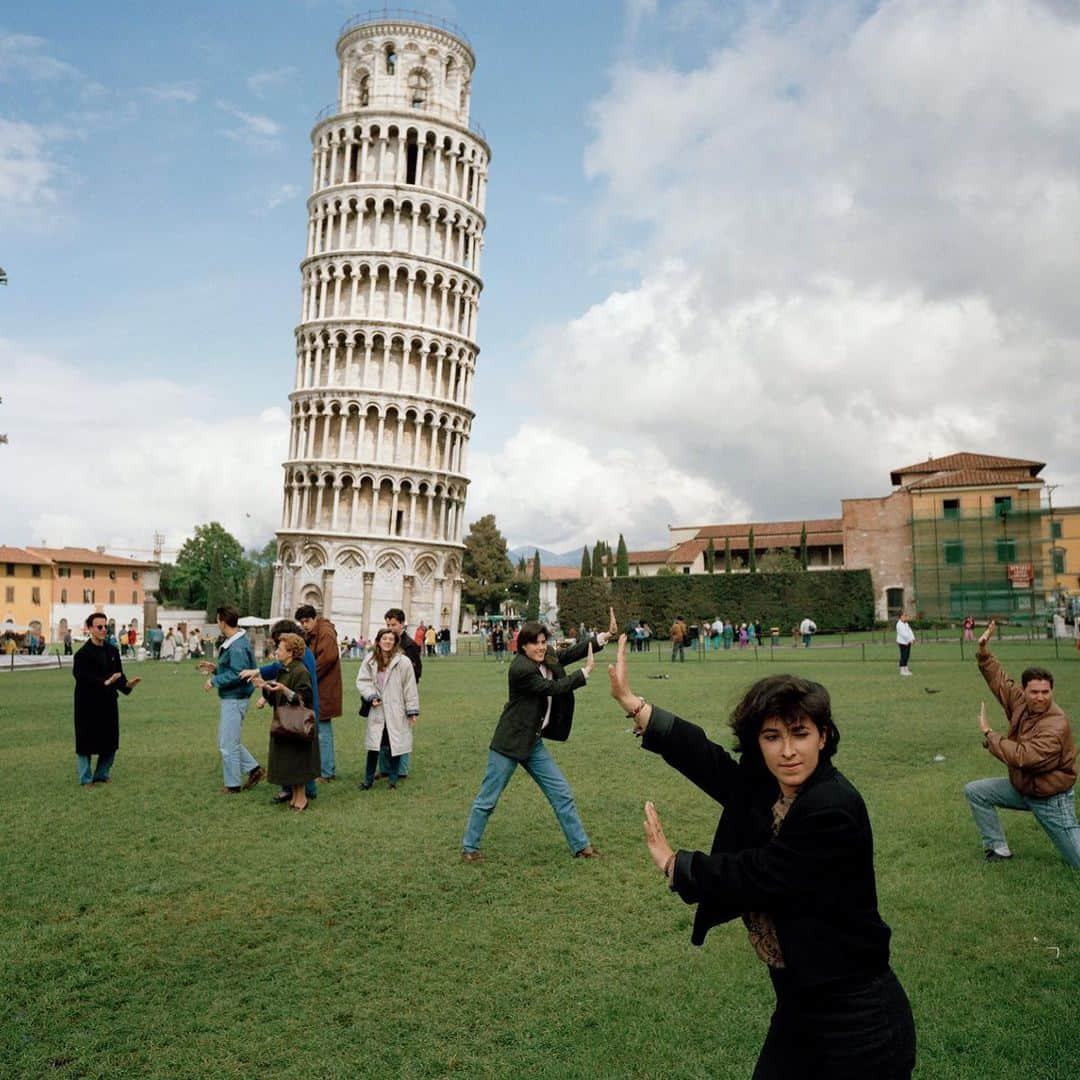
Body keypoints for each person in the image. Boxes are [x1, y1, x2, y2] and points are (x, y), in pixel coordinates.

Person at [606, 636, 916, 1077]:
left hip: (858, 1023)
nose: (787, 750)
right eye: (772, 736)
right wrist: (635, 705)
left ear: (823, 737)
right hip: (800, 1008)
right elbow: (711, 763)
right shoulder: (776, 790)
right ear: (759, 743)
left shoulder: (831, 807)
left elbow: (762, 874)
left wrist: (677, 866)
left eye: (800, 734)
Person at [460, 610, 617, 862]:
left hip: (533, 742)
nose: (542, 648)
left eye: (544, 642)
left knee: (561, 793)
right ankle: (469, 847)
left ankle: (581, 847)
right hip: (509, 743)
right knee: (488, 799)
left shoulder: (546, 656)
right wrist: (584, 673)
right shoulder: (521, 669)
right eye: (536, 643)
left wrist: (602, 637)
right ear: (523, 646)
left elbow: (568, 654)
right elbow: (553, 688)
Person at [964, 619, 1079, 867]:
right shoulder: (1021, 704)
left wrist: (989, 733)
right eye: (1034, 692)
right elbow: (1001, 682)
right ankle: (998, 849)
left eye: (1045, 692)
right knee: (976, 792)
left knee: (1078, 861)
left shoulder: (1056, 725)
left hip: (1051, 798)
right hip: (1023, 788)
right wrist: (984, 653)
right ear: (1025, 691)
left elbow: (1023, 756)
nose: (1040, 697)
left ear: (1052, 692)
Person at [242, 618, 321, 807]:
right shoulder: (285, 668)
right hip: (286, 721)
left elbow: (303, 696)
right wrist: (265, 687)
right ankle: (294, 796)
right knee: (288, 759)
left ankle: (302, 798)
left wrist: (283, 690)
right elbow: (280, 688)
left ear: (291, 652)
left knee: (298, 760)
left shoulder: (300, 669)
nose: (276, 650)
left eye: (280, 647)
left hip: (298, 722)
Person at [198, 605, 264, 795]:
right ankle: (254, 769)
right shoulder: (238, 642)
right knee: (228, 741)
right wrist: (216, 669)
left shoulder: (236, 646)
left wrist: (214, 680)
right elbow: (236, 670)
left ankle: (233, 784)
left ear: (223, 622)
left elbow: (238, 673)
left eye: (218, 620)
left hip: (235, 698)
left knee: (227, 743)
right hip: (235, 697)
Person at [72, 611, 141, 786]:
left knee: (110, 741)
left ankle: (102, 773)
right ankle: (86, 778)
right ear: (90, 629)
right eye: (99, 627)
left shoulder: (112, 651)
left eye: (106, 626)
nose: (104, 630)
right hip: (87, 703)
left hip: (108, 702)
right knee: (85, 742)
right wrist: (104, 682)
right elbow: (81, 676)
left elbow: (119, 676)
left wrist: (127, 685)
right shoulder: (82, 655)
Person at [357, 629, 420, 789]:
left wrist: (412, 710)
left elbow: (409, 687)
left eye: (391, 639)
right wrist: (371, 696)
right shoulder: (370, 660)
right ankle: (368, 780)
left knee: (395, 744)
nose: (387, 641)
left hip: (395, 708)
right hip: (377, 709)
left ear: (395, 642)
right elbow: (363, 681)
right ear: (378, 641)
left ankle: (393, 780)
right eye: (384, 638)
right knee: (374, 746)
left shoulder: (403, 662)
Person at [295, 603, 342, 784]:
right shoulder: (315, 632)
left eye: (307, 621)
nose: (305, 625)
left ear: (315, 618)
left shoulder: (326, 632)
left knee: (323, 730)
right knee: (319, 729)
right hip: (320, 686)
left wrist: (309, 675)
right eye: (302, 622)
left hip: (325, 688)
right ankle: (322, 768)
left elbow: (329, 657)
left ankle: (327, 771)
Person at [376, 608, 423, 781]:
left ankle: (401, 770)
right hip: (384, 694)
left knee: (402, 731)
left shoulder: (410, 646)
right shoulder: (384, 641)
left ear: (402, 624)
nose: (390, 627)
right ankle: (385, 768)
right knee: (383, 730)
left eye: (393, 624)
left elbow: (416, 672)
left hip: (402, 696)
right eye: (388, 624)